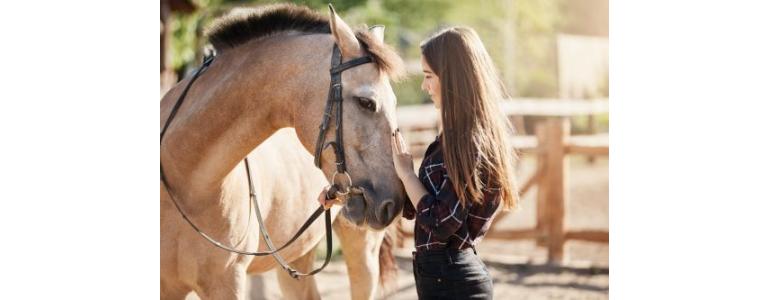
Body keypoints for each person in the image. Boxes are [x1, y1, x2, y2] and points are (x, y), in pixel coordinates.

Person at [321, 26, 519, 299]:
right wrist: (344, 195)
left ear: (452, 79)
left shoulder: (469, 143)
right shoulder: (449, 140)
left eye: (429, 76)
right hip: (441, 278)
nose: (425, 86)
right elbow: (418, 207)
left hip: (452, 281)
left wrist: (407, 173)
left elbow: (441, 222)